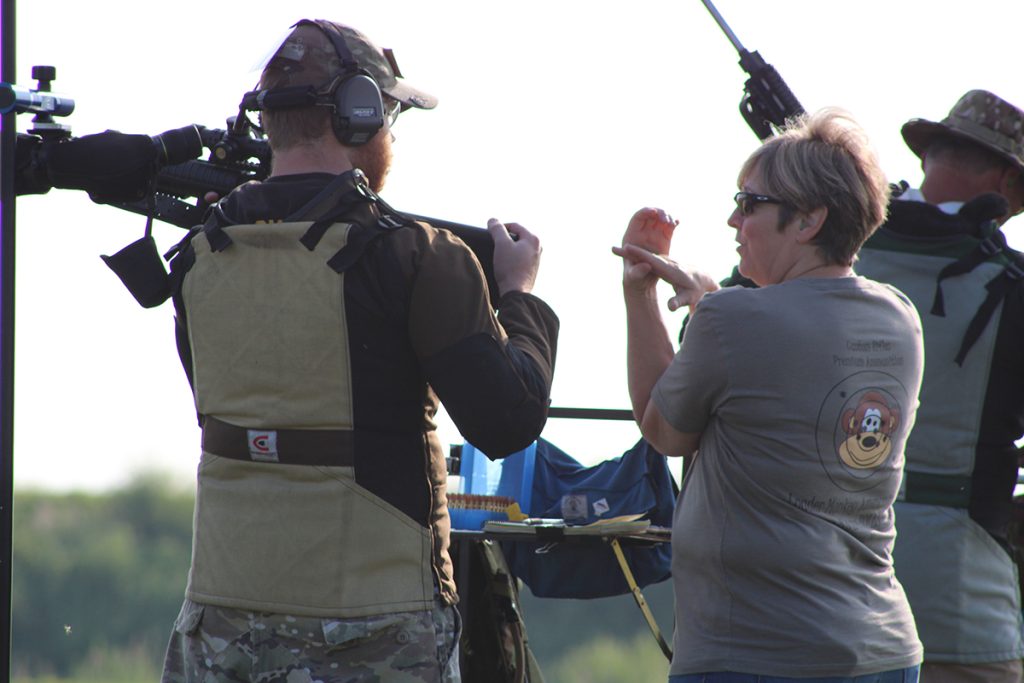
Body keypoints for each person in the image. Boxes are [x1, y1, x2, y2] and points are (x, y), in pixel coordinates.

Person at [157, 19, 559, 682]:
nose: (391, 136)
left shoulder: (199, 256)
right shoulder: (417, 256)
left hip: (218, 621)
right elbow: (506, 418)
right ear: (358, 113)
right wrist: (519, 295)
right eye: (390, 116)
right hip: (374, 623)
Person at [614, 109, 924, 682]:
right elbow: (788, 366)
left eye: (749, 203)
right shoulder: (899, 317)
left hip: (758, 656)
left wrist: (641, 294)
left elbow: (663, 429)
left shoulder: (734, 319)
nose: (734, 219)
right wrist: (714, 310)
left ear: (808, 220)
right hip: (884, 649)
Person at [854, 90, 1024, 683]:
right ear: (1007, 182)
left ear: (930, 156)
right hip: (959, 607)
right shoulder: (1013, 285)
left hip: (820, 598)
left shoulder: (832, 253)